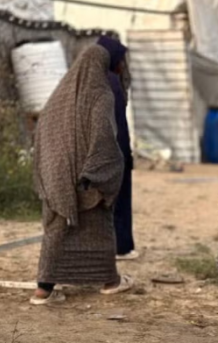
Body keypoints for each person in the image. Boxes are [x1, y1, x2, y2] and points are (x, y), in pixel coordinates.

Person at [30, 43, 134, 305]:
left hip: (56, 176)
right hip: (86, 179)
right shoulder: (101, 95)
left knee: (56, 231)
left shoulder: (58, 97)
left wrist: (52, 171)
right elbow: (103, 138)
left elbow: (41, 133)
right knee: (99, 227)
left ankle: (43, 290)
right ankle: (110, 282)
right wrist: (99, 171)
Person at [96, 36, 138, 261]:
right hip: (115, 152)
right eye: (120, 59)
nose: (123, 64)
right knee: (119, 200)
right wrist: (125, 156)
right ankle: (120, 246)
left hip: (101, 152)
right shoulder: (111, 82)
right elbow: (119, 124)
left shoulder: (95, 79)